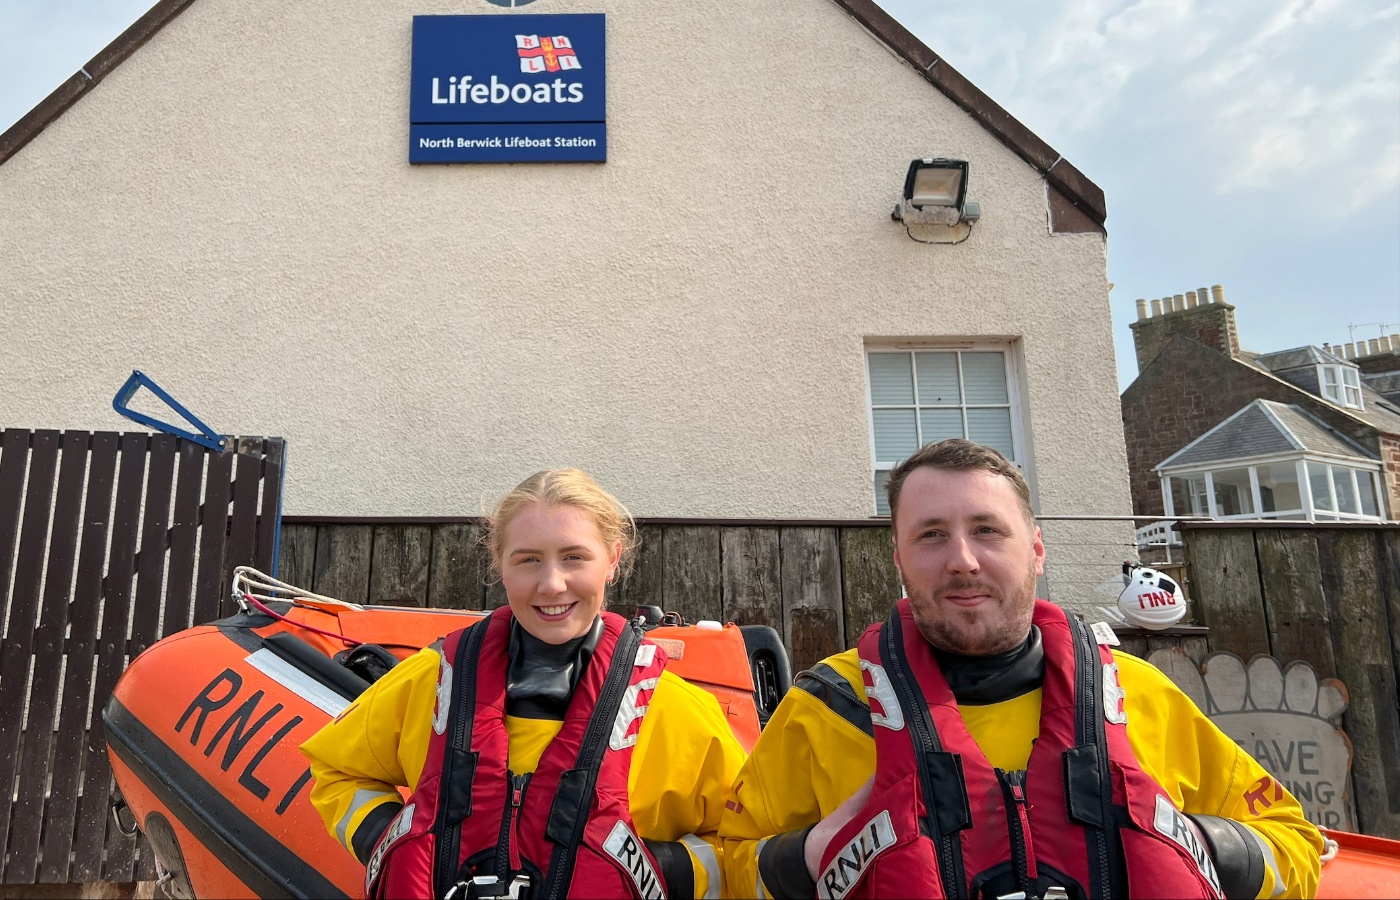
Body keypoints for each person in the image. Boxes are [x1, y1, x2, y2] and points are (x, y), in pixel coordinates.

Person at [719, 439, 1323, 900]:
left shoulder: (1137, 695)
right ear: (899, 559)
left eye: (987, 530)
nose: (962, 560)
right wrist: (803, 860)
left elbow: (1293, 841)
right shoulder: (826, 708)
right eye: (932, 536)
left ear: (1035, 548)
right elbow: (727, 865)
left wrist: (1199, 847)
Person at [303, 469, 746, 899]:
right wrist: (396, 843)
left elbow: (740, 846)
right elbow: (337, 770)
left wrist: (648, 872)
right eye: (528, 559)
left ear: (612, 560)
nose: (552, 584)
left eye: (574, 557)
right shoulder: (431, 682)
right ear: (500, 564)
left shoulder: (677, 712)